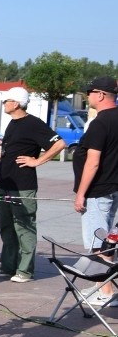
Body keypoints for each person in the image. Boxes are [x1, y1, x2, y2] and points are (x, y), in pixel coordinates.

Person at [0, 86, 65, 282]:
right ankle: (8, 266)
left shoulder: (33, 123)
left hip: (23, 186)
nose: (4, 104)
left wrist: (37, 161)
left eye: (6, 101)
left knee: (24, 227)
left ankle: (25, 270)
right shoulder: (13, 124)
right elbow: (5, 153)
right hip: (5, 184)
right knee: (7, 227)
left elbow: (59, 144)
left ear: (16, 103)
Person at [73, 76, 118, 307]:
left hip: (99, 191)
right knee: (111, 239)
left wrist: (81, 193)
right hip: (114, 188)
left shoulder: (101, 122)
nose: (87, 95)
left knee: (99, 243)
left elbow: (93, 162)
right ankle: (106, 286)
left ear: (100, 95)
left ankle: (107, 291)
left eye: (89, 91)